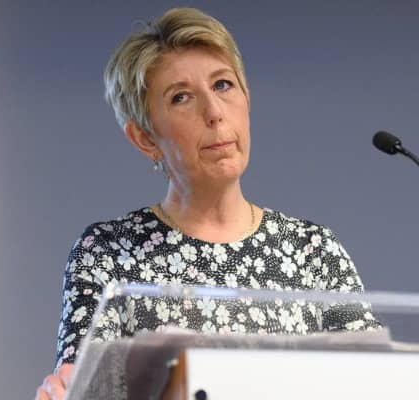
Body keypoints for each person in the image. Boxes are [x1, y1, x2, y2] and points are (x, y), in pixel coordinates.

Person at [35, 7, 379, 400]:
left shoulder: (313, 251)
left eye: (223, 85)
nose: (214, 113)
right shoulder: (109, 254)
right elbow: (83, 390)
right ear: (145, 138)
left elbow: (373, 383)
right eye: (181, 97)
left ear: (246, 100)